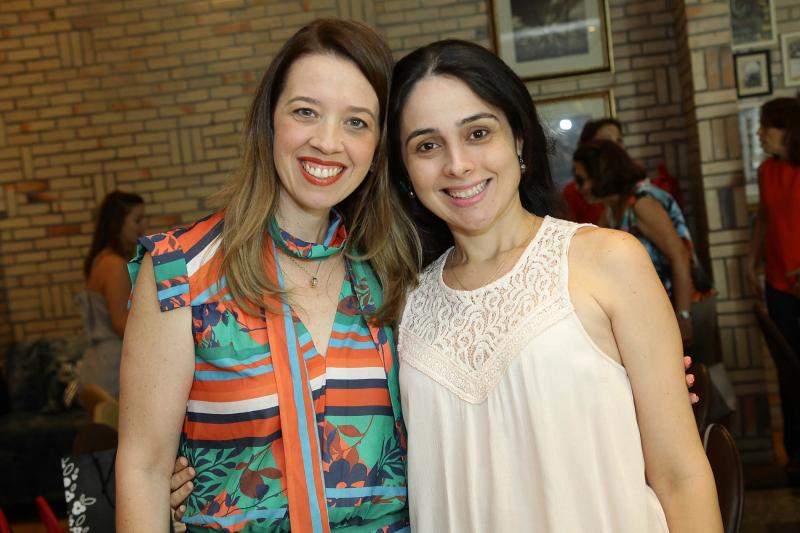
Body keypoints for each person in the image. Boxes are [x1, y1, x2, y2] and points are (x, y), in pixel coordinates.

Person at [388, 40, 720, 531]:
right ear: (404, 170)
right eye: (427, 145)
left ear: (519, 140)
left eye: (478, 132)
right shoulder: (403, 303)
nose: (457, 164)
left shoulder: (607, 260)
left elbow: (679, 474)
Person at [116, 19, 419, 532]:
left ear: (377, 147)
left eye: (356, 122)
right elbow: (143, 471)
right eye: (306, 112)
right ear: (269, 120)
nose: (327, 142)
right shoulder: (179, 271)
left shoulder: (397, 272)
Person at [573, 139, 697, 345]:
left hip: (684, 304)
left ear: (601, 174)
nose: (578, 188)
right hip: (660, 309)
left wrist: (683, 315)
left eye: (581, 179)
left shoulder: (642, 203)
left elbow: (680, 255)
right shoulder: (612, 209)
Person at [747, 96, 800, 473]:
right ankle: (795, 454)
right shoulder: (766, 169)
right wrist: (751, 262)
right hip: (779, 284)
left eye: (766, 125)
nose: (759, 132)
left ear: (788, 130)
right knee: (787, 367)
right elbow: (764, 219)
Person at [76, 191, 145, 400]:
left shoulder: (100, 259)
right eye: (137, 220)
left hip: (99, 362)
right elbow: (121, 325)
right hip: (113, 366)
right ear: (118, 223)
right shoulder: (115, 265)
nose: (143, 226)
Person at [561, 118, 622, 224]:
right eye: (607, 141)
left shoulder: (634, 190)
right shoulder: (573, 193)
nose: (616, 146)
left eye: (619, 140)